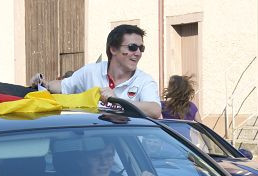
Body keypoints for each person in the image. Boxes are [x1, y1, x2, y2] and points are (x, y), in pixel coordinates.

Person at [30, 24, 162, 118]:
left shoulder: (144, 80)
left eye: (141, 48)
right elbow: (63, 86)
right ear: (113, 49)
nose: (138, 53)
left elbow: (155, 110)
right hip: (93, 150)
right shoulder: (91, 71)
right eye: (132, 47)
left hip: (126, 154)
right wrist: (44, 84)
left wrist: (118, 101)